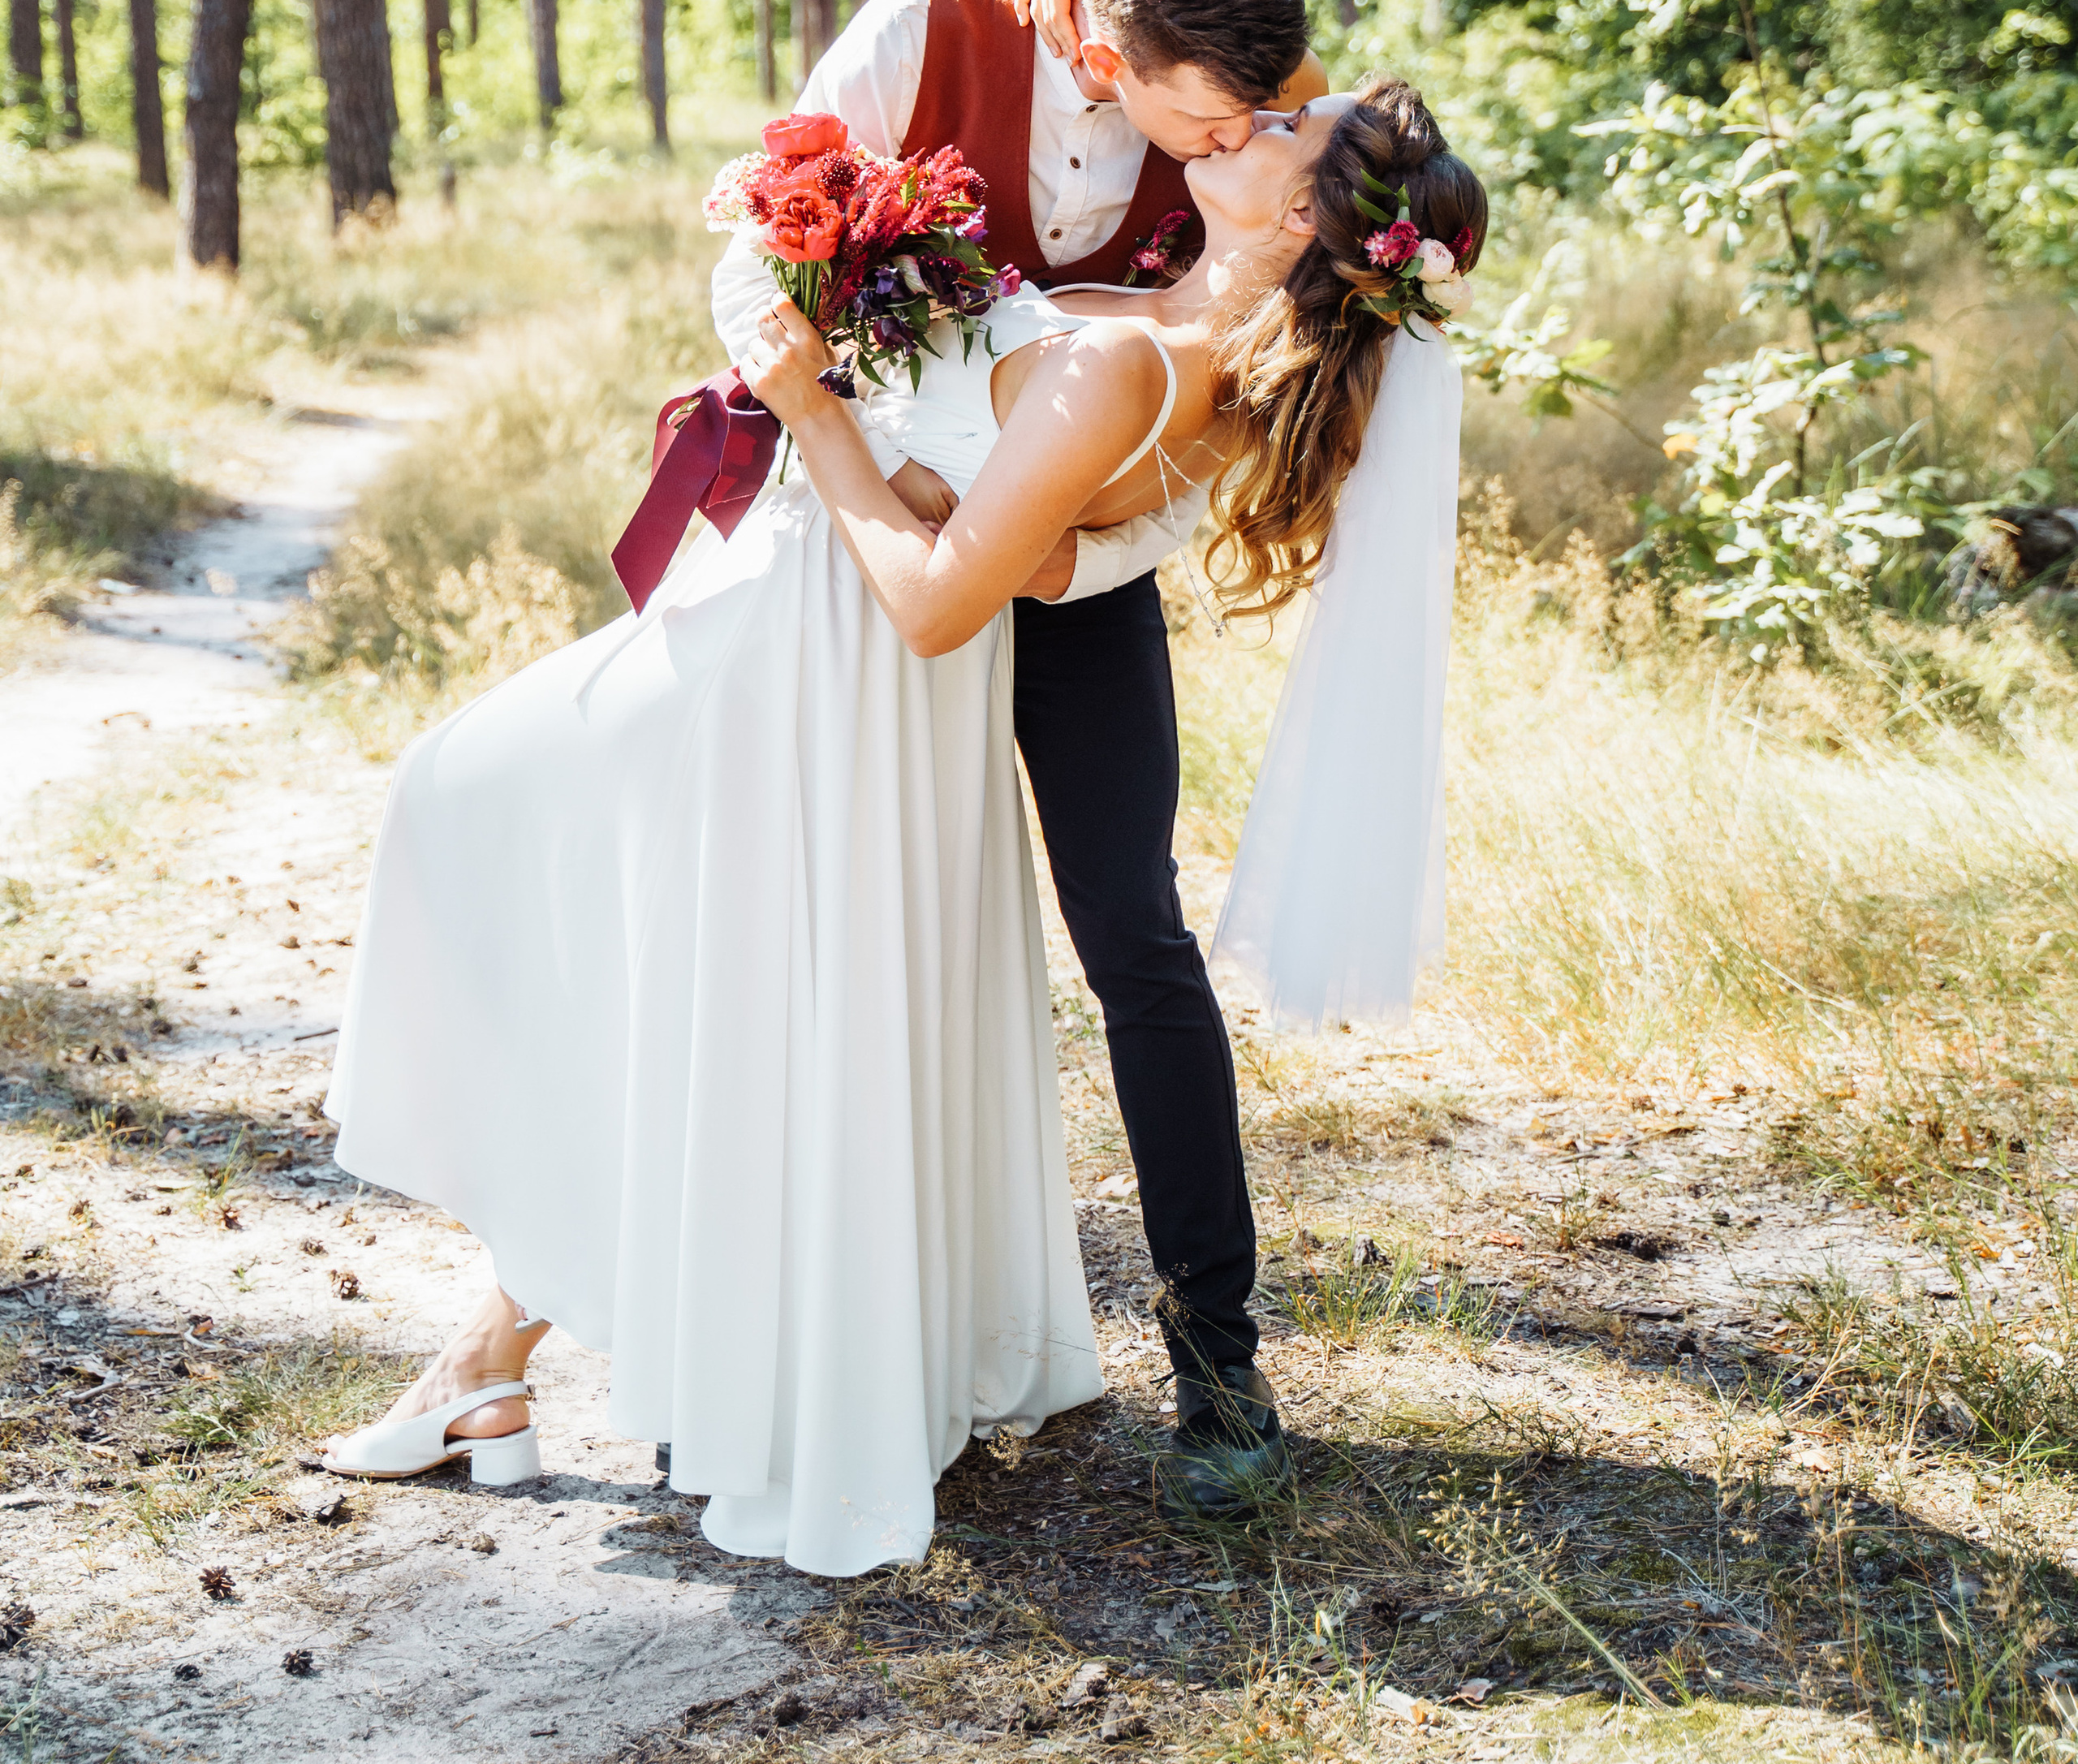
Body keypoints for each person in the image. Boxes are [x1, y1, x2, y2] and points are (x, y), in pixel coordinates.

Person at [316, 82, 1484, 1576]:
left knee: (467, 807)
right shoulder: (1154, 322)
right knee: (662, 967)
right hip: (800, 637)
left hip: (824, 665)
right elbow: (1012, 505)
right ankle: (496, 1360)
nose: (1246, 124)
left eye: (1279, 137)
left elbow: (942, 601)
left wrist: (817, 411)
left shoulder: (1138, 360)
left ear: (1307, 217)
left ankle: (564, 1346)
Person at [709, 0, 1328, 1517]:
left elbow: (1211, 428)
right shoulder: (918, 37)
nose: (1227, 144)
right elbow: (745, 269)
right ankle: (787, 1337)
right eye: (1203, 117)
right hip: (869, 534)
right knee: (810, 920)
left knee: (1133, 932)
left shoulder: (1249, 128)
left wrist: (1059, 570)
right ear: (1110, 46)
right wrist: (877, 465)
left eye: (1249, 117)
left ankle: (1216, 1353)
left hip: (1070, 570)